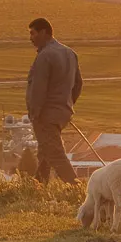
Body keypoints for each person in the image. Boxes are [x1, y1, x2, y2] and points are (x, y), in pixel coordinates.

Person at [25, 17, 83, 184]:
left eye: (33, 33)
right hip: (62, 112)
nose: (31, 38)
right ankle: (38, 186)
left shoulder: (45, 56)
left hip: (46, 114)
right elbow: (78, 84)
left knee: (55, 153)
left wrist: (34, 113)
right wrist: (67, 104)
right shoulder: (69, 53)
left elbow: (38, 88)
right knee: (45, 150)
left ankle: (76, 189)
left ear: (44, 32)